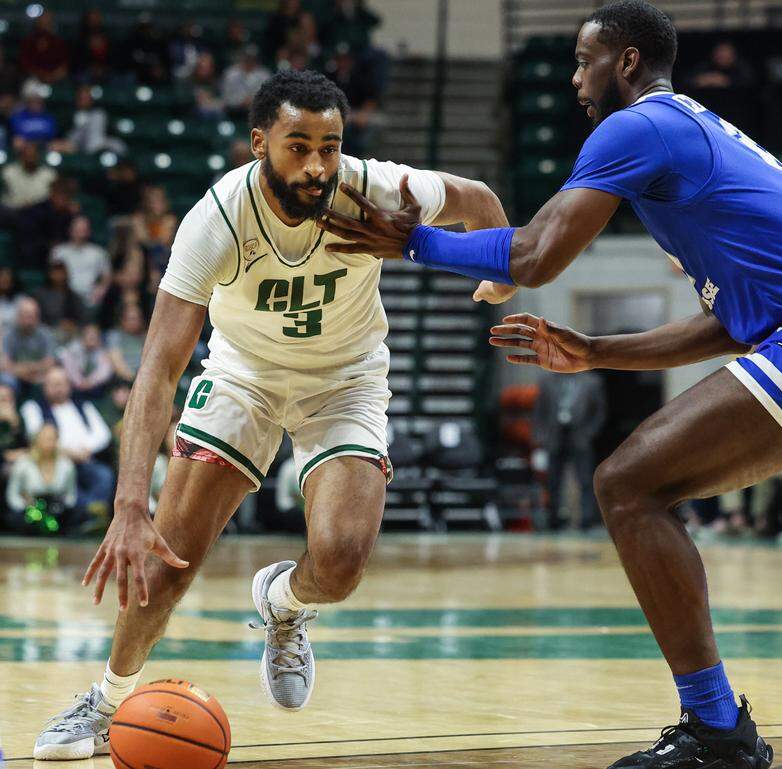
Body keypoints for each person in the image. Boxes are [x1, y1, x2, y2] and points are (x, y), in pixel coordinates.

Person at [336, 3, 782, 765]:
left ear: (629, 61)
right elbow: (738, 326)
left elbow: (537, 254)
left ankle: (715, 729)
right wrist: (595, 350)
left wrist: (414, 241)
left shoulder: (635, 128)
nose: (576, 79)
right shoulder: (688, 133)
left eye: (585, 61)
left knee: (628, 485)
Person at [34, 69, 510, 760]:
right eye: (298, 146)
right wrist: (129, 503)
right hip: (243, 377)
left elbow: (480, 198)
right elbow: (158, 369)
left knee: (342, 562)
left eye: (330, 145)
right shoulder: (217, 218)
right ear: (260, 143)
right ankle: (106, 701)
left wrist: (496, 273)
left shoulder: (373, 187)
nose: (317, 164)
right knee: (166, 565)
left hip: (344, 379)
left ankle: (283, 603)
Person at [20, 366, 115, 518]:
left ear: (69, 385)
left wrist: (86, 450)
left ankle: (91, 517)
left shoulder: (83, 406)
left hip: (85, 458)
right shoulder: (33, 407)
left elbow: (103, 434)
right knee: (68, 479)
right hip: (55, 461)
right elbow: (36, 435)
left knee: (104, 475)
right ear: (44, 386)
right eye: (54, 384)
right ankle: (88, 516)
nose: (58, 388)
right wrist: (67, 452)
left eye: (62, 383)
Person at [533, 370, 607, 529]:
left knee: (585, 480)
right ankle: (553, 519)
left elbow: (599, 412)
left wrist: (589, 433)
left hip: (580, 436)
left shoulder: (592, 381)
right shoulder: (546, 380)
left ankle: (586, 519)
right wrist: (541, 437)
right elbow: (540, 411)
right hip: (555, 436)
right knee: (553, 481)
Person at [6, 424, 77, 532]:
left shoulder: (66, 465)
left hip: (58, 511)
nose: (49, 443)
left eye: (53, 439)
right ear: (36, 440)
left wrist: (62, 507)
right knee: (15, 519)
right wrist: (25, 507)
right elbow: (12, 495)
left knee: (77, 515)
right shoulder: (23, 463)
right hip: (29, 511)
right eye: (46, 439)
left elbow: (71, 494)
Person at [51, 217, 112, 310]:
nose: (79, 233)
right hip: (64, 297)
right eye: (77, 229)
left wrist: (101, 290)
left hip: (90, 297)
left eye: (83, 230)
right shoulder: (59, 251)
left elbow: (107, 277)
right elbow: (53, 275)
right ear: (70, 230)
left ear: (89, 232)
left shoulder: (99, 252)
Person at [3, 297, 57, 396]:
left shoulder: (46, 334)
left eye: (32, 317)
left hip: (40, 375)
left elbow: (49, 363)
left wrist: (25, 368)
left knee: (54, 377)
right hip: (15, 376)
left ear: (37, 317)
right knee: (6, 379)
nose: (29, 321)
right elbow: (5, 365)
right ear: (18, 317)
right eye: (25, 316)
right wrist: (28, 370)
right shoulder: (9, 335)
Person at [60, 324, 115, 401]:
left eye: (95, 335)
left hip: (95, 388)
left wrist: (90, 382)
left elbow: (105, 372)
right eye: (89, 335)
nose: (92, 337)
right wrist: (79, 382)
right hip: (74, 387)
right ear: (82, 337)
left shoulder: (103, 353)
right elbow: (69, 368)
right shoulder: (72, 350)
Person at [1, 141, 57, 210]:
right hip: (12, 211)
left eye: (33, 156)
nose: (30, 159)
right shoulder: (8, 172)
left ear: (38, 156)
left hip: (39, 214)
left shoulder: (49, 174)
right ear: (21, 156)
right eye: (27, 156)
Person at [106, 303, 147, 384]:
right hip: (124, 382)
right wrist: (135, 380)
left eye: (138, 318)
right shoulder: (115, 336)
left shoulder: (146, 336)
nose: (136, 321)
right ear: (123, 320)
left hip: (144, 380)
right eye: (132, 319)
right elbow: (117, 363)